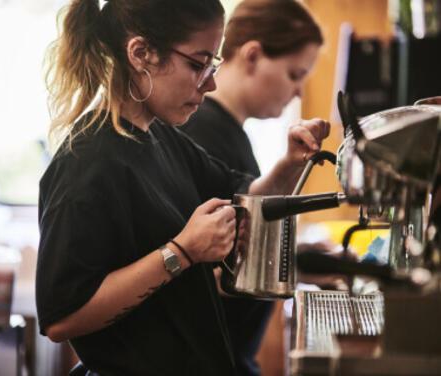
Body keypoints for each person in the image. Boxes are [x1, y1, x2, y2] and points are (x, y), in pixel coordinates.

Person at [35, 0, 329, 375]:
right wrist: (181, 252)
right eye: (197, 64)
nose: (211, 83)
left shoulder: (162, 137)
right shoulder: (87, 164)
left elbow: (245, 201)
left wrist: (290, 164)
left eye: (213, 64)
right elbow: (63, 318)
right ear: (141, 54)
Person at [181, 1, 325, 374]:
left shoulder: (230, 132)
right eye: (295, 74)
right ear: (253, 55)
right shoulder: (200, 132)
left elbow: (245, 227)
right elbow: (209, 268)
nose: (297, 92)